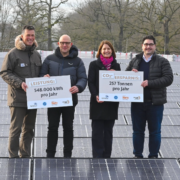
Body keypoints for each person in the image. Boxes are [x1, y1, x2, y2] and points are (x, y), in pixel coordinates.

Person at [40, 34, 87, 158]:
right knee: (52, 127)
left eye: (67, 43)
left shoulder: (78, 61)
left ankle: (67, 154)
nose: (65, 45)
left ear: (71, 44)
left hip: (70, 100)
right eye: (62, 43)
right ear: (58, 44)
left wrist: (78, 87)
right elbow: (41, 75)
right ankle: (50, 154)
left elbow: (83, 78)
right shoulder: (49, 59)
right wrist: (44, 78)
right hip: (53, 100)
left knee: (68, 127)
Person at [126, 35, 173, 158]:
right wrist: (130, 74)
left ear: (155, 46)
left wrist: (149, 83)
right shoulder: (135, 61)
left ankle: (153, 156)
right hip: (137, 103)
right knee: (137, 132)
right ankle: (137, 155)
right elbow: (124, 76)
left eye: (151, 44)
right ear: (142, 46)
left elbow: (168, 79)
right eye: (146, 44)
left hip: (155, 103)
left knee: (155, 132)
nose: (148, 46)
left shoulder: (162, 61)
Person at [0, 25, 42, 158]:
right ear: (22, 36)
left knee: (29, 129)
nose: (30, 38)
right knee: (16, 129)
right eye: (28, 35)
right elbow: (4, 72)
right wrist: (20, 83)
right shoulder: (13, 53)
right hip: (18, 98)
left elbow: (40, 75)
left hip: (33, 99)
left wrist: (45, 78)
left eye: (32, 35)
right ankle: (13, 156)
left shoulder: (36, 55)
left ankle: (25, 155)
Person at [88, 40, 121, 158]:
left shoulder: (116, 66)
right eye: (104, 49)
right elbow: (90, 82)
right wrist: (96, 95)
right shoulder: (93, 65)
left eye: (108, 49)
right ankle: (97, 157)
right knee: (97, 132)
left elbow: (119, 84)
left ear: (112, 51)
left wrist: (115, 74)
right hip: (97, 103)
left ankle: (107, 156)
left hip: (111, 104)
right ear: (100, 51)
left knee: (108, 132)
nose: (106, 51)